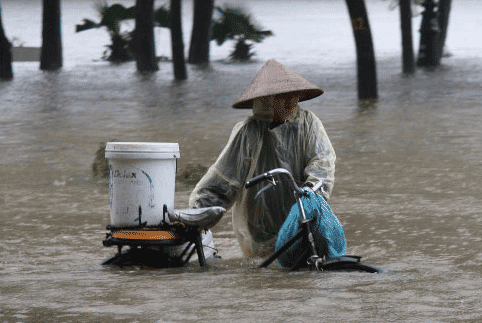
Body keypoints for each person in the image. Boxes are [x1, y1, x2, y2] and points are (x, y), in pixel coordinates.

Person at [189, 59, 336, 258]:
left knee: (306, 261)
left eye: (293, 96)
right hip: (258, 223)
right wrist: (197, 215)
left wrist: (312, 189)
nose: (292, 102)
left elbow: (322, 162)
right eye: (283, 98)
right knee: (266, 268)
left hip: (299, 212)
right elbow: (224, 181)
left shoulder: (309, 124)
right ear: (267, 101)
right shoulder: (249, 132)